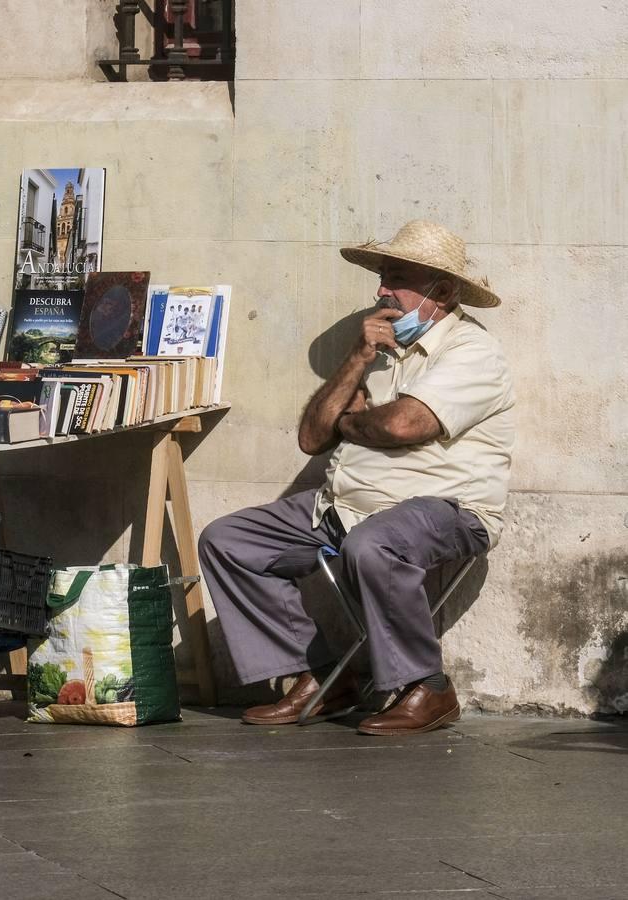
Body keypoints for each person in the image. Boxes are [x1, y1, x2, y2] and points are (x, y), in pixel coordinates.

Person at [199, 220, 514, 735]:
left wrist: (351, 423)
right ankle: (320, 679)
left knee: (372, 545)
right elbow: (310, 437)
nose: (382, 290)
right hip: (344, 505)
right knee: (228, 540)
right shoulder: (381, 351)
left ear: (444, 291)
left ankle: (427, 688)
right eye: (383, 276)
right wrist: (356, 359)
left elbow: (404, 424)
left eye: (397, 277)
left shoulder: (472, 352)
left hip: (445, 506)